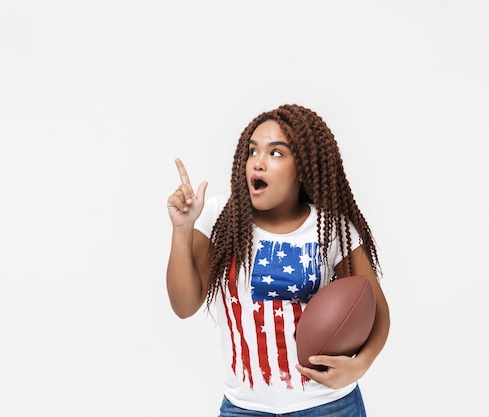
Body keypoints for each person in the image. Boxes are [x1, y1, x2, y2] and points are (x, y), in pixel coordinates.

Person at [166, 104, 390, 416]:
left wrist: (359, 366)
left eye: (276, 153)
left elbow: (378, 312)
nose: (258, 163)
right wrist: (182, 228)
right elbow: (184, 305)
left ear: (303, 167)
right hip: (244, 408)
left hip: (328, 406)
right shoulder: (220, 217)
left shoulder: (332, 228)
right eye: (252, 151)